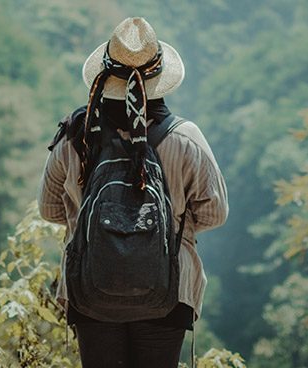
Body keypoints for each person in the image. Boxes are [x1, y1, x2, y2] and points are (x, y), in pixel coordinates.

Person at [38, 17, 228, 367]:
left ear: (103, 77)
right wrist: (166, 232)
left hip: (91, 285)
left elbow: (48, 208)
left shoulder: (75, 137)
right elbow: (215, 213)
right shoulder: (186, 139)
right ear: (160, 80)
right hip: (169, 288)